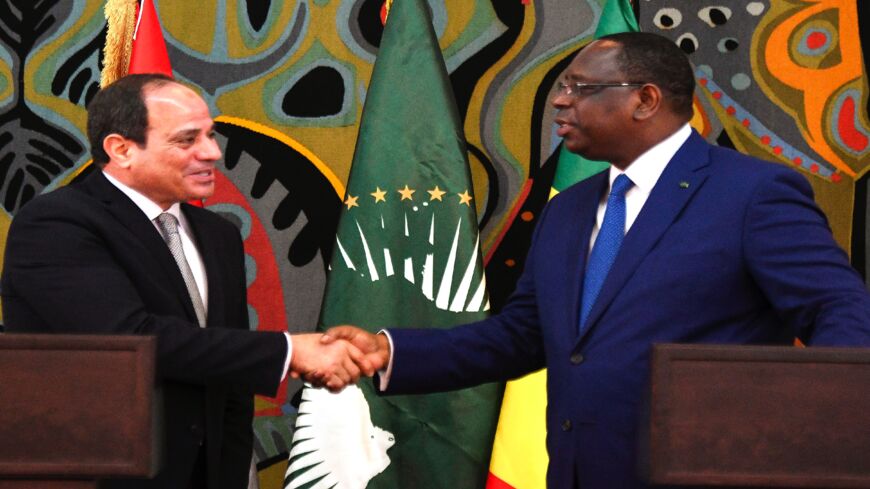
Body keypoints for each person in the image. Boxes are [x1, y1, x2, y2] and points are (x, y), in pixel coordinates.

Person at [321, 32, 870, 489]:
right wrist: (388, 351)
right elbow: (522, 336)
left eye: (580, 89)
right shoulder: (570, 211)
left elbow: (838, 307)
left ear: (645, 100)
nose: (561, 101)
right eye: (562, 88)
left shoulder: (752, 193)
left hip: (703, 472)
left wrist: (814, 430)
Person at [0, 74, 373, 489]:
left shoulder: (218, 234)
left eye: (210, 136)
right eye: (187, 140)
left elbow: (230, 387)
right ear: (121, 149)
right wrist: (289, 351)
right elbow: (131, 341)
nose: (212, 153)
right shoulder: (56, 224)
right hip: (99, 478)